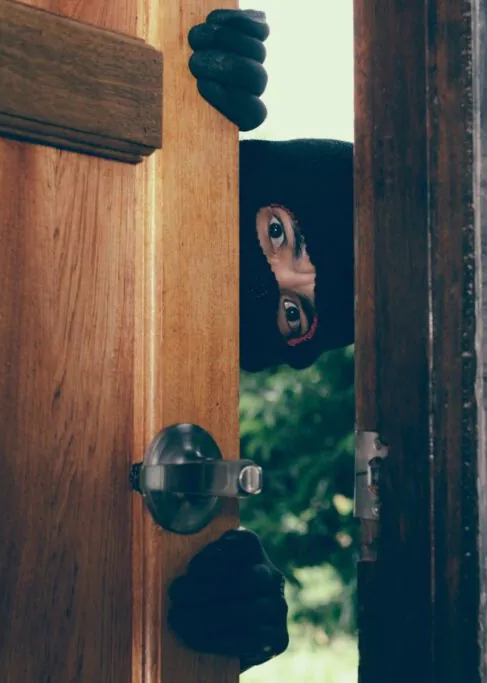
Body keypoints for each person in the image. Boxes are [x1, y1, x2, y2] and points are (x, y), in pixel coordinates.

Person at [165, 8, 355, 673]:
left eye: (294, 314)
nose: (269, 286)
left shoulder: (177, 412)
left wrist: (228, 612)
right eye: (277, 232)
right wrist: (163, 85)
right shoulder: (140, 191)